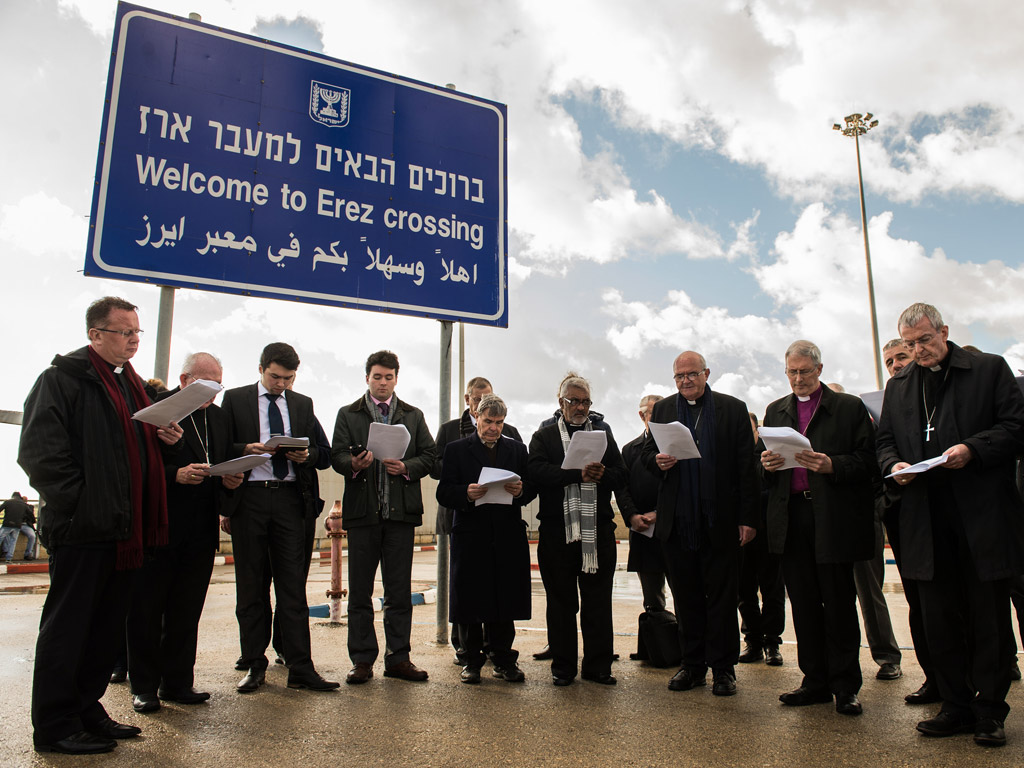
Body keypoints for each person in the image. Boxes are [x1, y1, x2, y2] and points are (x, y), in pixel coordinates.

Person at [19, 296, 184, 754]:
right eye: (123, 331)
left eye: (137, 332)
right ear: (95, 335)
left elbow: (137, 458)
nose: (133, 339)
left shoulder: (133, 387)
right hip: (84, 531)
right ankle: (54, 725)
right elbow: (40, 455)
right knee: (68, 630)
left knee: (105, 630)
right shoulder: (61, 381)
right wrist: (82, 505)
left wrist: (167, 440)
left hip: (125, 534)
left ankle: (87, 708)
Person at [876, 303, 1024, 747]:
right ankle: (955, 705)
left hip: (980, 518)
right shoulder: (900, 385)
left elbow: (1016, 427)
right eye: (910, 344)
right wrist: (894, 464)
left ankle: (990, 711)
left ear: (944, 331)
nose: (918, 351)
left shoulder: (988, 369)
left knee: (988, 619)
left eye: (924, 340)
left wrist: (972, 449)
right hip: (926, 518)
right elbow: (884, 441)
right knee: (938, 619)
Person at [761, 340, 876, 716]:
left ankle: (845, 686)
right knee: (805, 603)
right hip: (792, 517)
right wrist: (766, 463)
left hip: (832, 517)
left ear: (820, 370)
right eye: (791, 372)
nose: (798, 378)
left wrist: (832, 466)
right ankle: (814, 681)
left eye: (804, 371)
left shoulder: (848, 408)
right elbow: (765, 473)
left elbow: (868, 461)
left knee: (839, 602)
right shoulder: (776, 410)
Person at [126, 353, 244, 713]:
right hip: (161, 523)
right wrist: (173, 474)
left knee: (187, 608)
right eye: (204, 383)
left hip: (201, 526)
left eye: (217, 384)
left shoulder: (220, 417)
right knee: (148, 607)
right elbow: (136, 465)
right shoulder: (155, 408)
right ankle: (144, 685)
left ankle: (178, 682)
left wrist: (231, 481)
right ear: (183, 379)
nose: (211, 392)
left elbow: (220, 460)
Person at [221, 342, 338, 693]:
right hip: (250, 501)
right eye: (275, 376)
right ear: (260, 369)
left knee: (292, 588)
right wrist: (246, 449)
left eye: (288, 378)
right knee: (252, 587)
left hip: (290, 501)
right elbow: (221, 447)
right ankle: (254, 664)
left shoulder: (302, 404)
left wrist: (307, 455)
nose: (281, 384)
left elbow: (325, 453)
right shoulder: (236, 400)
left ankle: (301, 667)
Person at [642, 351, 758, 697]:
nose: (686, 381)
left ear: (706, 373)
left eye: (692, 374)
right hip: (678, 523)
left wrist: (748, 519)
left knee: (722, 600)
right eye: (679, 376)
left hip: (719, 521)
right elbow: (646, 455)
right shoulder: (662, 410)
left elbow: (746, 469)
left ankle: (723, 669)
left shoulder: (732, 409)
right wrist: (658, 462)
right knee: (687, 597)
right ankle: (692, 666)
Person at [332, 350, 436, 685]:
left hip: (400, 515)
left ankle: (398, 658)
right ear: (367, 378)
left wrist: (407, 467)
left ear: (396, 379)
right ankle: (362, 660)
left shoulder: (413, 415)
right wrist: (354, 465)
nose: (382, 382)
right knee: (360, 591)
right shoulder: (348, 414)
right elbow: (335, 455)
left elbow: (430, 457)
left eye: (388, 377)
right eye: (377, 376)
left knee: (398, 591)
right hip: (363, 515)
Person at [528, 373, 626, 686]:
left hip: (597, 532)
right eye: (575, 401)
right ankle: (563, 668)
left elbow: (622, 474)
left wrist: (603, 474)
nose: (581, 407)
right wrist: (572, 474)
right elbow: (535, 471)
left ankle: (598, 667)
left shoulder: (602, 431)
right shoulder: (544, 435)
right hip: (558, 534)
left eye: (585, 401)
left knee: (598, 603)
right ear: (561, 403)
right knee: (561, 604)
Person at [436, 394, 536, 684]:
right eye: (488, 421)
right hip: (471, 533)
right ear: (476, 417)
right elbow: (443, 492)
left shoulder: (517, 449)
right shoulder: (456, 450)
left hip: (505, 533)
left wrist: (520, 491)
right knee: (470, 599)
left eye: (499, 422)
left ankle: (504, 659)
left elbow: (530, 486)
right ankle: (471, 661)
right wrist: (466, 493)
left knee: (504, 597)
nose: (493, 428)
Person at [825, 382, 903, 682]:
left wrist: (877, 506)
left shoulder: (860, 423)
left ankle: (886, 655)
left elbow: (873, 464)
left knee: (869, 591)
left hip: (861, 515)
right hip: (826, 519)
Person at [737, 413, 785, 667]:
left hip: (767, 532)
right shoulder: (734, 455)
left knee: (772, 589)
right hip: (741, 534)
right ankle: (752, 641)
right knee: (744, 590)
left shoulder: (770, 454)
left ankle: (772, 642)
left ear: (758, 429)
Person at [616, 395, 669, 621]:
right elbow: (621, 486)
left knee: (688, 595)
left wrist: (660, 513)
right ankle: (659, 649)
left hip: (672, 529)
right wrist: (631, 515)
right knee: (652, 599)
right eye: (652, 414)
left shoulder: (676, 448)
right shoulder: (629, 451)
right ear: (642, 416)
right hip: (643, 532)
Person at [0, 492, 36, 563]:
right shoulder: (23, 504)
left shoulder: (8, 502)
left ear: (12, 496)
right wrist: (33, 521)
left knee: (1, 538)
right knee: (13, 541)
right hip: (17, 525)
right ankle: (9, 558)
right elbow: (30, 514)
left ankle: (5, 552)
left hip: (7, 524)